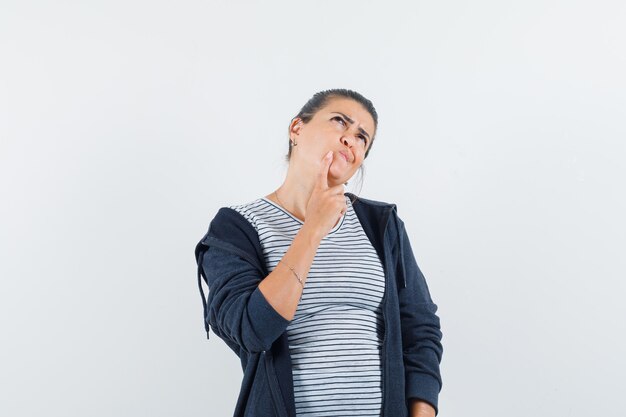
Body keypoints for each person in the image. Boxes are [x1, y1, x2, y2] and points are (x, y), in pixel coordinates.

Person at [194, 89, 444, 417]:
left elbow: (420, 329)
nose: (351, 139)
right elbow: (252, 330)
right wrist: (313, 228)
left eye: (362, 137)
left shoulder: (381, 224)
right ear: (297, 128)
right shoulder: (237, 227)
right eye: (340, 121)